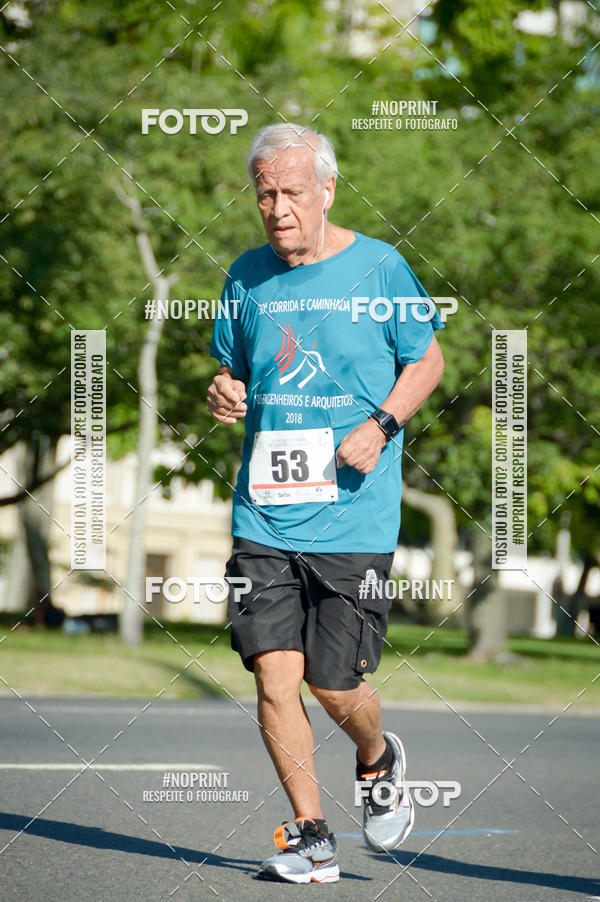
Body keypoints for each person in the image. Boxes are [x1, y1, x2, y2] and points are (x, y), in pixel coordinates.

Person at [208, 123, 444, 884]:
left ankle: (377, 757)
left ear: (328, 190)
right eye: (265, 194)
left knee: (332, 682)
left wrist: (381, 425)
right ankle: (311, 835)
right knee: (275, 673)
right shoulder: (244, 277)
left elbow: (428, 360)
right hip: (264, 516)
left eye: (292, 193)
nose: (277, 208)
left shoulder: (380, 268)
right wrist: (223, 391)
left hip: (354, 515)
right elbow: (230, 373)